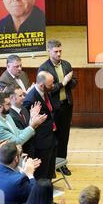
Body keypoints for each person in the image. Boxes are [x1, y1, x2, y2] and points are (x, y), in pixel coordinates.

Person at [38, 40, 76, 176]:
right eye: (56, 51)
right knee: (53, 137)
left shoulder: (66, 64)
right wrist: (63, 82)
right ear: (49, 51)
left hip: (66, 105)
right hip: (52, 108)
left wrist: (70, 81)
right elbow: (48, 90)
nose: (59, 54)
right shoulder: (43, 68)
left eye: (60, 51)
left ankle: (62, 164)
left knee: (64, 136)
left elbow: (74, 82)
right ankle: (51, 164)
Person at [23, 71, 57, 180]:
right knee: (42, 173)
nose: (53, 86)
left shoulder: (45, 91)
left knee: (49, 171)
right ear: (42, 85)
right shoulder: (30, 99)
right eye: (50, 84)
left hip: (50, 138)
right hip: (41, 143)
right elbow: (30, 123)